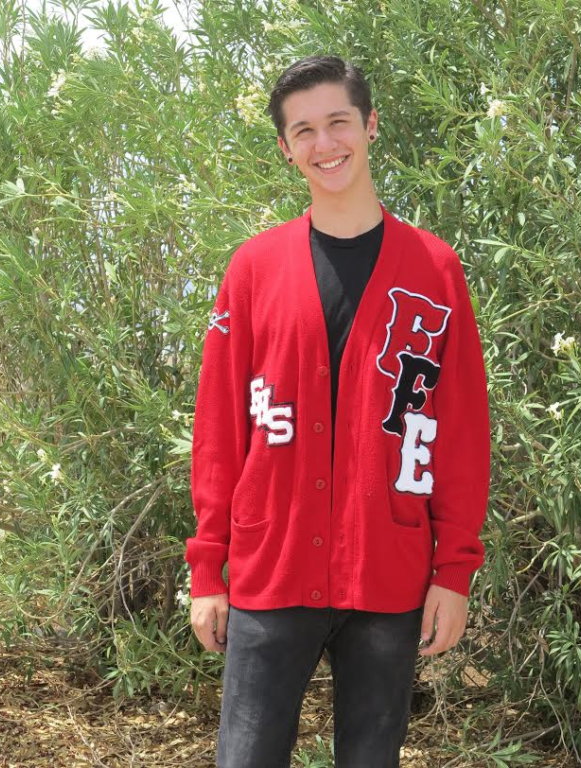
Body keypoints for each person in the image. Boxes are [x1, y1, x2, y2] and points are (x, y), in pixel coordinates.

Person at [185, 55, 491, 768]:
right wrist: (208, 570)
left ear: (371, 125)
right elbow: (221, 427)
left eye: (338, 123)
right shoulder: (254, 269)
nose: (325, 145)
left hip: (388, 567)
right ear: (286, 148)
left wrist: (454, 570)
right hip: (272, 565)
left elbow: (462, 431)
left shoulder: (435, 270)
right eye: (304, 130)